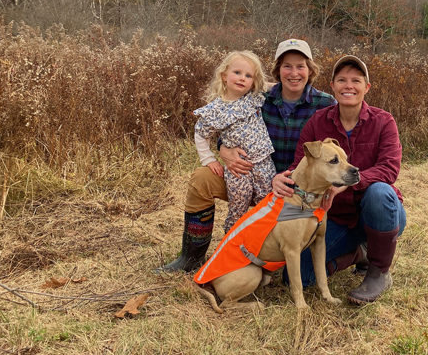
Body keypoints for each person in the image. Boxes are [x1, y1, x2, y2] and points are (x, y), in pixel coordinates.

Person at [158, 39, 335, 272]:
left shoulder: (325, 104)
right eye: (287, 66)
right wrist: (224, 151)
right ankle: (192, 257)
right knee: (202, 179)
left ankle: (267, 251)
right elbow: (230, 125)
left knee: (304, 271)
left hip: (295, 190)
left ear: (310, 70)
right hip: (245, 174)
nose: (294, 73)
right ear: (277, 71)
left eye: (300, 66)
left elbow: (335, 153)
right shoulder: (259, 96)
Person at [272, 55, 405, 304]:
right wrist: (281, 178)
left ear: (367, 87)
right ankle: (358, 253)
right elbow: (301, 163)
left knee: (379, 192)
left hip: (378, 213)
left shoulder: (383, 121)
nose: (349, 86)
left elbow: (389, 169)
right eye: (342, 80)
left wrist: (344, 185)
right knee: (297, 276)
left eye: (356, 80)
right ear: (332, 86)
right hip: (334, 217)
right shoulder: (318, 122)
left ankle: (378, 272)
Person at [192, 50, 275, 233]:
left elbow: (270, 86)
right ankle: (232, 239)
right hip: (237, 168)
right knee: (239, 204)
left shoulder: (253, 98)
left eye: (248, 75)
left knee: (267, 203)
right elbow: (200, 134)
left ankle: (263, 240)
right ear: (224, 76)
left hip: (263, 162)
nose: (242, 78)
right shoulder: (215, 109)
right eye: (237, 73)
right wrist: (209, 159)